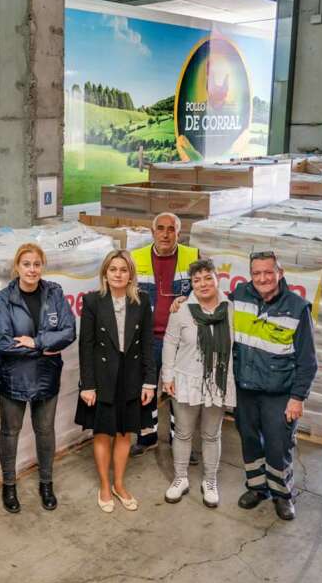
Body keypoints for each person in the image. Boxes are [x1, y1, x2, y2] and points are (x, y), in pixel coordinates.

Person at [171, 251, 318, 520]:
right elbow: (210, 298)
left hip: (278, 391)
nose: (263, 278)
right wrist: (185, 300)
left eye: (268, 272)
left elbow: (308, 361)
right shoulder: (240, 297)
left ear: (280, 273)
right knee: (249, 441)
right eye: (257, 273)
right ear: (251, 275)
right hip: (246, 388)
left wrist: (298, 397)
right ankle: (257, 487)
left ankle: (283, 494)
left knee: (279, 444)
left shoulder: (297, 308)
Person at [0, 243, 76, 513]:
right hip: (12, 379)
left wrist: (35, 342)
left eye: (36, 264)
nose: (32, 269)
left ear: (42, 266)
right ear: (17, 267)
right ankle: (9, 485)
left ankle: (46, 483)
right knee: (10, 432)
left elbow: (69, 331)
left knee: (45, 431)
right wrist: (46, 348)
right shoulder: (3, 300)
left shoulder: (54, 293)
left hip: (46, 377)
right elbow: (4, 344)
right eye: (26, 264)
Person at [75, 250, 156, 512]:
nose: (118, 274)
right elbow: (85, 347)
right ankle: (104, 485)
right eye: (113, 269)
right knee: (103, 433)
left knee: (124, 433)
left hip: (131, 377)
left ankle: (119, 484)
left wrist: (149, 382)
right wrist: (87, 384)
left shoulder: (141, 301)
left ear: (131, 273)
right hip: (102, 378)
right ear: (105, 274)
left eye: (123, 269)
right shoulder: (92, 302)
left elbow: (147, 344)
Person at [161, 259, 235, 509]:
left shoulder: (231, 308)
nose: (202, 284)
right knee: (182, 433)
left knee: (211, 435)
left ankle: (210, 481)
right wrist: (167, 376)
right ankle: (180, 479)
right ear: (191, 284)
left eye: (207, 278)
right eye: (196, 280)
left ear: (217, 279)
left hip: (217, 383)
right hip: (185, 379)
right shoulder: (181, 309)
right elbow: (170, 343)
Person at [129, 212, 200, 457]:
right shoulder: (136, 258)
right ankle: (146, 436)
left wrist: (189, 300)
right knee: (145, 387)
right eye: (160, 228)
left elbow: (204, 292)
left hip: (179, 339)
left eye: (171, 229)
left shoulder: (192, 257)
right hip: (147, 338)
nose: (166, 234)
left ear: (179, 234)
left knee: (179, 393)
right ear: (153, 232)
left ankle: (179, 439)